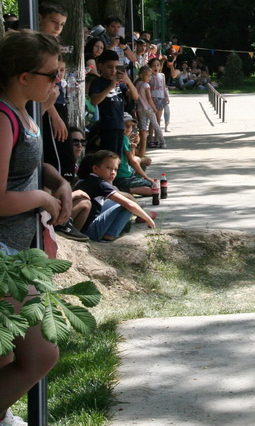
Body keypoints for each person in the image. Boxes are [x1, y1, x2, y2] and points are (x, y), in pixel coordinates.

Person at [0, 30, 69, 425]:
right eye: (51, 75)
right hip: (5, 257)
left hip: (21, 252)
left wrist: (57, 182)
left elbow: (25, 167)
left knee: (7, 355)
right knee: (42, 355)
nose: (57, 82)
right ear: (23, 76)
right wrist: (44, 199)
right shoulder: (3, 116)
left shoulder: (24, 110)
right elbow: (1, 197)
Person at [72, 150, 156, 242]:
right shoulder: (101, 184)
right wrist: (147, 219)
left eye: (115, 169)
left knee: (120, 201)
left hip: (82, 228)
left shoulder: (82, 182)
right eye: (108, 168)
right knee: (127, 206)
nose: (113, 172)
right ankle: (108, 237)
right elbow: (129, 204)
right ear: (95, 169)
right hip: (90, 232)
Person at [89, 49, 138, 156]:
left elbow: (134, 96)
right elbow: (94, 100)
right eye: (109, 67)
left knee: (118, 158)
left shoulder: (120, 84)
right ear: (101, 66)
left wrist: (128, 81)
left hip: (120, 125)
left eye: (116, 67)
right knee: (109, 156)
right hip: (106, 126)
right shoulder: (97, 82)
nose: (113, 71)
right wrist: (111, 86)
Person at [113, 115, 155, 196]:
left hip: (124, 174)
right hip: (123, 177)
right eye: (126, 125)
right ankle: (123, 190)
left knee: (152, 189)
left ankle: (126, 189)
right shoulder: (123, 138)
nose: (129, 127)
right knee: (153, 187)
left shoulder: (123, 138)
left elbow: (135, 155)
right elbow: (132, 161)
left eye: (131, 125)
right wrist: (147, 178)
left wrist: (134, 145)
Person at [134, 66, 165, 155]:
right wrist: (154, 107)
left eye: (150, 76)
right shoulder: (145, 85)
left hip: (140, 109)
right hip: (148, 108)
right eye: (148, 76)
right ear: (141, 75)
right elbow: (149, 98)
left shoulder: (137, 84)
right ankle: (162, 141)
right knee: (155, 124)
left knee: (143, 127)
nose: (149, 78)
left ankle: (143, 143)